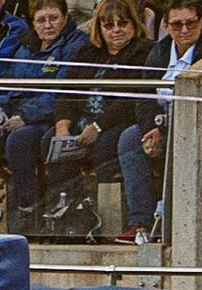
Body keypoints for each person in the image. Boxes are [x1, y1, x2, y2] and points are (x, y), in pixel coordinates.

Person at [115, 0, 202, 244]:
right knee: (130, 139)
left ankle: (178, 224)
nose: (184, 30)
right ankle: (141, 221)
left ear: (201, 23)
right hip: (161, 123)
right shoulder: (159, 52)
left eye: (190, 23)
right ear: (166, 26)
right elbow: (144, 95)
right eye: (177, 24)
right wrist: (151, 128)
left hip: (196, 127)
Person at [0, 0, 85, 235]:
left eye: (53, 18)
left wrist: (23, 116)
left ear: (65, 18)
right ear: (32, 22)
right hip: (18, 116)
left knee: (19, 140)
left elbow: (62, 92)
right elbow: (8, 85)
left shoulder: (76, 44)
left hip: (57, 117)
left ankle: (29, 211)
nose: (48, 25)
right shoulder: (25, 47)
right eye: (41, 20)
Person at [53, 0, 153, 202]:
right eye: (108, 25)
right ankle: (67, 207)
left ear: (133, 24)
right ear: (99, 28)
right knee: (51, 142)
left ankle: (109, 212)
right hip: (84, 121)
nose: (117, 30)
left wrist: (98, 127)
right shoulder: (87, 52)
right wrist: (62, 125)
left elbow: (130, 98)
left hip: (117, 122)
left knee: (104, 145)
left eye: (123, 23)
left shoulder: (143, 51)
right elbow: (66, 92)